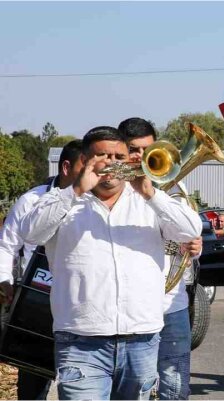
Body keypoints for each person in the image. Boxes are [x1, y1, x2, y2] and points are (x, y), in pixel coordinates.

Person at [19, 126, 202, 400]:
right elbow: (29, 232)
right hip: (80, 341)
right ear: (85, 160)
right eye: (102, 156)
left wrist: (151, 194)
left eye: (118, 156)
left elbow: (190, 230)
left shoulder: (148, 201)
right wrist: (76, 190)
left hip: (141, 337)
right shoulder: (64, 201)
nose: (111, 163)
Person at [118, 117, 202, 400]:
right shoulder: (113, 191)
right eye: (133, 149)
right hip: (132, 307)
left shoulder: (174, 190)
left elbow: (187, 233)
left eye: (147, 149)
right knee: (135, 387)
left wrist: (193, 247)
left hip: (171, 305)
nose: (141, 157)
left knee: (176, 387)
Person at [0, 139, 84, 400]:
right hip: (35, 306)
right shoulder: (31, 200)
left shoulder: (93, 203)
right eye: (87, 165)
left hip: (78, 307)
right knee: (33, 381)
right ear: (67, 167)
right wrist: (5, 282)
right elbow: (7, 244)